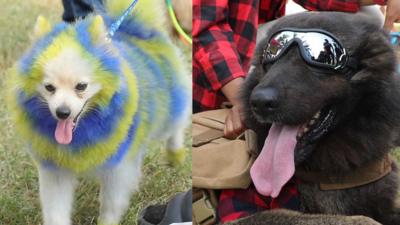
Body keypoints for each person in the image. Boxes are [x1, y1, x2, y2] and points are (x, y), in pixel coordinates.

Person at [193, 0, 400, 140]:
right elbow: (205, 29)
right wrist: (240, 100)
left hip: (258, 63)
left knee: (369, 14)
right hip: (220, 84)